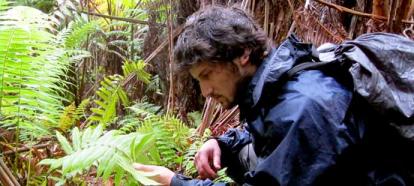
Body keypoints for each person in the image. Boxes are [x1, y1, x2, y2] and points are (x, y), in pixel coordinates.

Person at [134, 5, 414, 186]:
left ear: (243, 53)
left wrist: (176, 183)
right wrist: (223, 144)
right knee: (246, 153)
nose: (206, 92)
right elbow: (270, 135)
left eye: (207, 75)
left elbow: (292, 137)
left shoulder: (303, 108)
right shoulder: (283, 84)